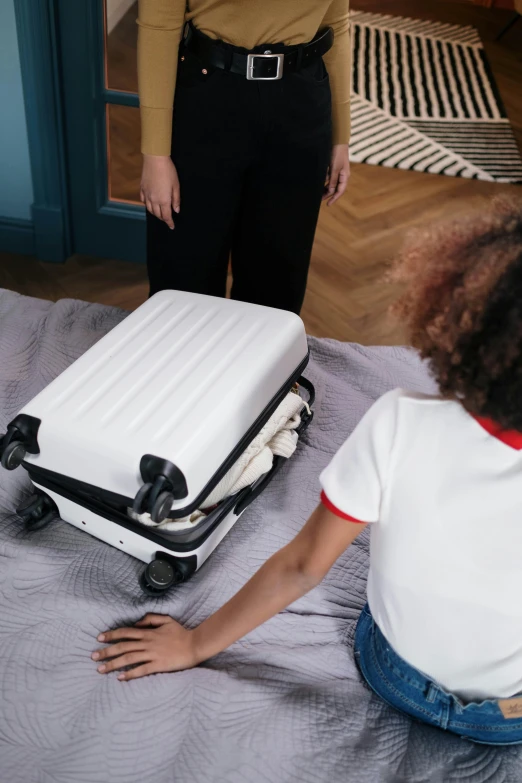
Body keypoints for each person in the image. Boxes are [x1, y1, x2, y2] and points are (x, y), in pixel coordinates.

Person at [92, 197, 522, 744]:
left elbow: (301, 567)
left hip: (396, 676)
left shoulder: (402, 421)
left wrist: (196, 644)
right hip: (506, 720)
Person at [138, 0, 351, 314]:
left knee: (276, 285)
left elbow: (337, 23)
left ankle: (261, 364)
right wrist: (156, 155)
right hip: (207, 100)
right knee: (183, 282)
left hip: (301, 103)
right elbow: (159, 27)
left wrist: (340, 138)